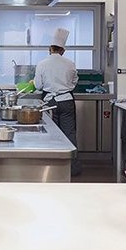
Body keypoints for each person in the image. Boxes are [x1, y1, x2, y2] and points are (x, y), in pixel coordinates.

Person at [33, 27, 80, 176]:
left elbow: (38, 86)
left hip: (49, 103)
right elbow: (73, 83)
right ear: (63, 50)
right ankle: (72, 169)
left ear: (49, 49)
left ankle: (51, 170)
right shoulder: (70, 63)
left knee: (50, 135)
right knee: (69, 134)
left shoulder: (42, 64)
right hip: (66, 101)